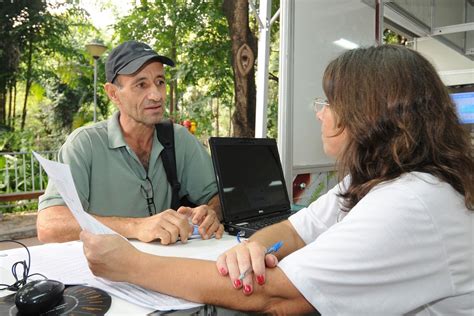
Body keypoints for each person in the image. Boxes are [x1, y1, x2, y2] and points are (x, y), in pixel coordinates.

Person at [80, 45, 473, 314]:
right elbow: (298, 229)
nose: (320, 114)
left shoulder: (410, 201)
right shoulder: (379, 179)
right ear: (113, 94)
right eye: (141, 83)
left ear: (369, 116)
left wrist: (131, 265)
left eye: (330, 103)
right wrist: (251, 245)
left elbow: (275, 297)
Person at [37, 40, 224, 245]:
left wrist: (210, 213)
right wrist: (136, 226)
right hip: (104, 270)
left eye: (160, 82)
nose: (155, 95)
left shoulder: (179, 138)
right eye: (141, 84)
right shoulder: (84, 145)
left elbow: (219, 197)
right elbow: (49, 226)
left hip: (167, 268)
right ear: (113, 94)